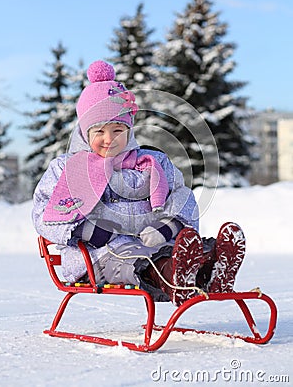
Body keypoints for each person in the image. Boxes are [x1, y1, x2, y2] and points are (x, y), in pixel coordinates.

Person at [32, 60, 246, 306]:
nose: (109, 139)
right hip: (98, 255)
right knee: (136, 257)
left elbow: (182, 195)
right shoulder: (69, 168)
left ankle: (211, 270)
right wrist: (87, 231)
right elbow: (43, 212)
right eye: (99, 131)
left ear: (130, 130)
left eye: (118, 129)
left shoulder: (151, 162)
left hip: (152, 243)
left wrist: (167, 228)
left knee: (173, 250)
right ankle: (177, 276)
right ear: (84, 133)